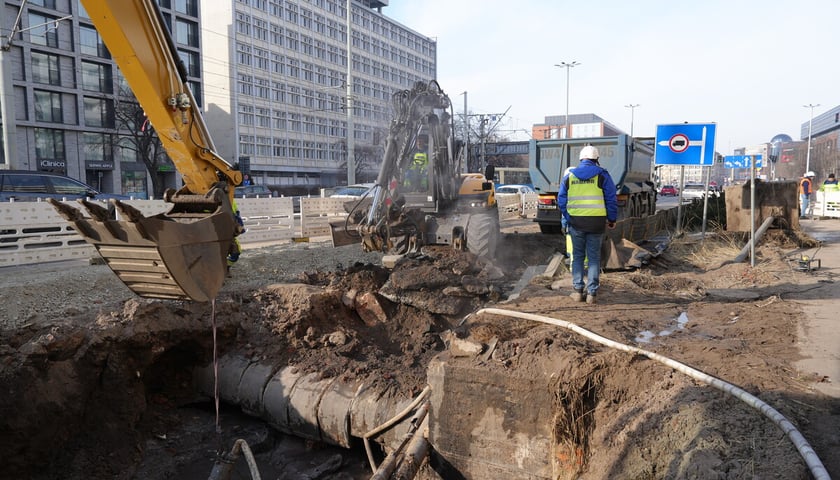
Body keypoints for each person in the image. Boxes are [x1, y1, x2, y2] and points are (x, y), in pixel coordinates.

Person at [557, 145, 618, 305]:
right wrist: (611, 219)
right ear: (596, 159)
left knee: (577, 257)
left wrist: (569, 216)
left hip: (576, 223)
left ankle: (577, 291)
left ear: (581, 159)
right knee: (593, 258)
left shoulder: (569, 176)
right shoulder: (602, 175)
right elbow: (611, 198)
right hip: (596, 223)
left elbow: (561, 200)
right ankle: (592, 294)